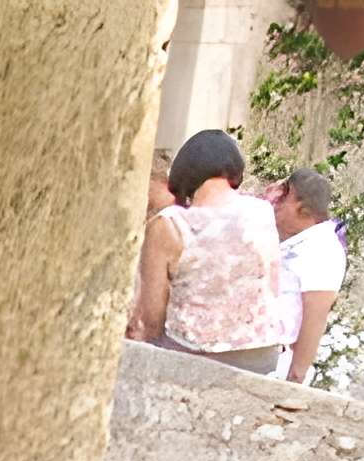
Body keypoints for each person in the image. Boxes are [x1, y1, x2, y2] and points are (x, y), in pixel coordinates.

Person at [129, 129, 288, 374]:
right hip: (263, 353)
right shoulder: (262, 212)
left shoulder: (170, 224)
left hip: (196, 355)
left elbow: (150, 318)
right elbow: (273, 284)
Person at [272, 167, 347, 386]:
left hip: (279, 366)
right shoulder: (297, 240)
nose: (276, 204)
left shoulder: (323, 250)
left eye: (285, 197)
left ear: (303, 210)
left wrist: (295, 379)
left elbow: (315, 317)